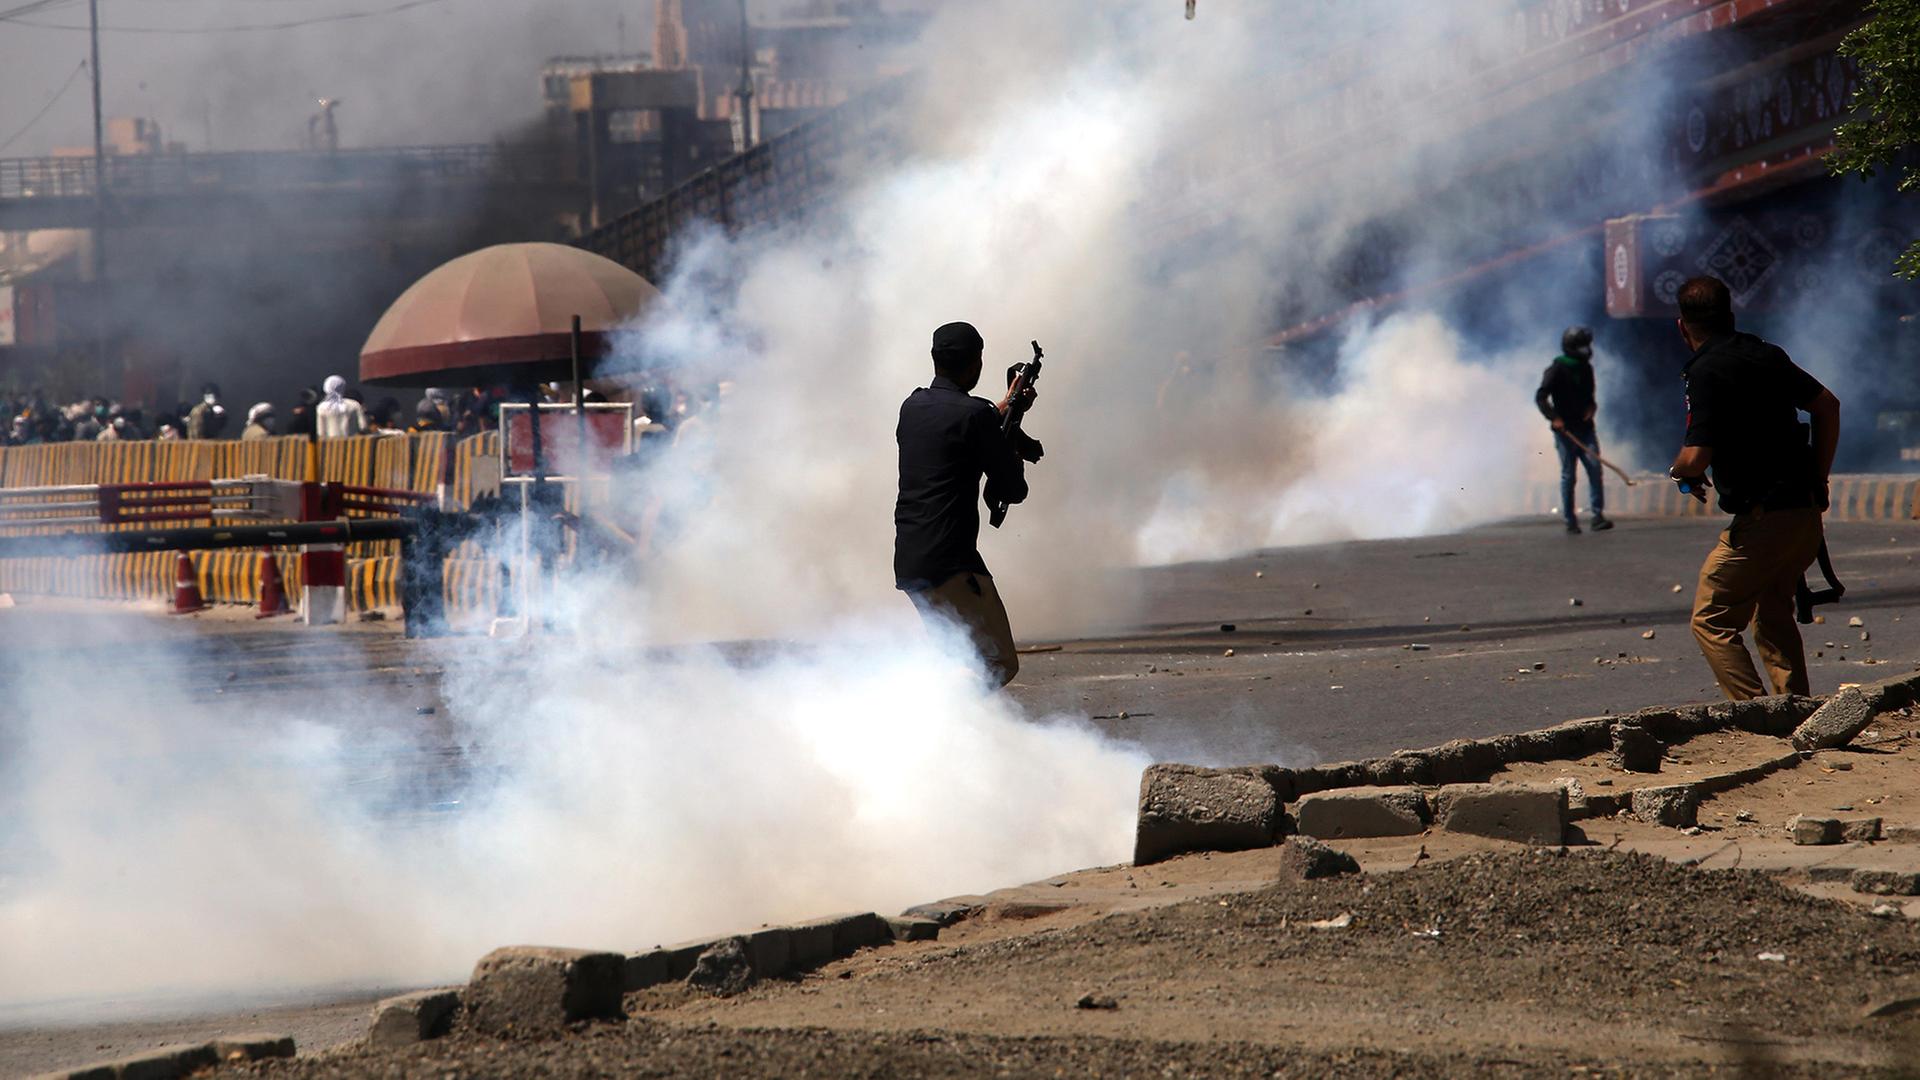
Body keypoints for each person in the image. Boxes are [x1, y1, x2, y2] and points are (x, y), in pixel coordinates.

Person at [1669, 275, 1840, 701]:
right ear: (1730, 316)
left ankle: (1755, 716)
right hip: (1803, 514)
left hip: (1763, 522)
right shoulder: (1765, 353)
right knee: (1774, 612)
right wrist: (1819, 478)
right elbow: (1827, 406)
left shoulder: (1704, 370)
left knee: (1711, 618)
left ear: (1682, 326)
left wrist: (1679, 471)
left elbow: (1695, 457)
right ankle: (1795, 711)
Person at [893, 321, 1038, 688]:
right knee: (997, 662)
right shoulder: (976, 417)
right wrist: (1007, 432)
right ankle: (943, 727)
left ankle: (949, 733)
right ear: (977, 362)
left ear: (934, 359)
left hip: (911, 560)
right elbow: (1013, 488)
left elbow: (954, 426)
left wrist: (1003, 410)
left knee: (957, 659)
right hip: (952, 566)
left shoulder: (912, 406)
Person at [1536, 326, 1611, 534]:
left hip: (1586, 429)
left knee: (1595, 469)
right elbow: (1541, 396)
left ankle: (1597, 515)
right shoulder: (1557, 368)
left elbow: (1590, 397)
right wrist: (1554, 418)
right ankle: (1570, 520)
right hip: (1565, 432)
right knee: (1569, 476)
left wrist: (1591, 408)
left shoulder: (1586, 368)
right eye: (1582, 345)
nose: (1586, 350)